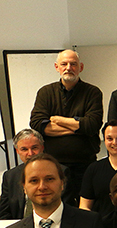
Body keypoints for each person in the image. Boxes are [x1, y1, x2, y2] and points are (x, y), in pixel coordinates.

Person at [29, 49, 103, 206]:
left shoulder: (92, 92)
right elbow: (36, 124)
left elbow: (92, 125)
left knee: (87, 209)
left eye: (73, 64)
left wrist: (58, 120)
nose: (68, 67)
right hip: (54, 166)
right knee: (58, 207)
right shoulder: (45, 92)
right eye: (64, 64)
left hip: (85, 165)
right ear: (57, 67)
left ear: (81, 67)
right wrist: (77, 127)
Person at [0, 129, 44, 219]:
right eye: (24, 149)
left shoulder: (60, 172)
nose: (30, 153)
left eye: (34, 148)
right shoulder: (10, 176)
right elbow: (3, 212)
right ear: (17, 151)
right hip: (18, 226)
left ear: (42, 148)